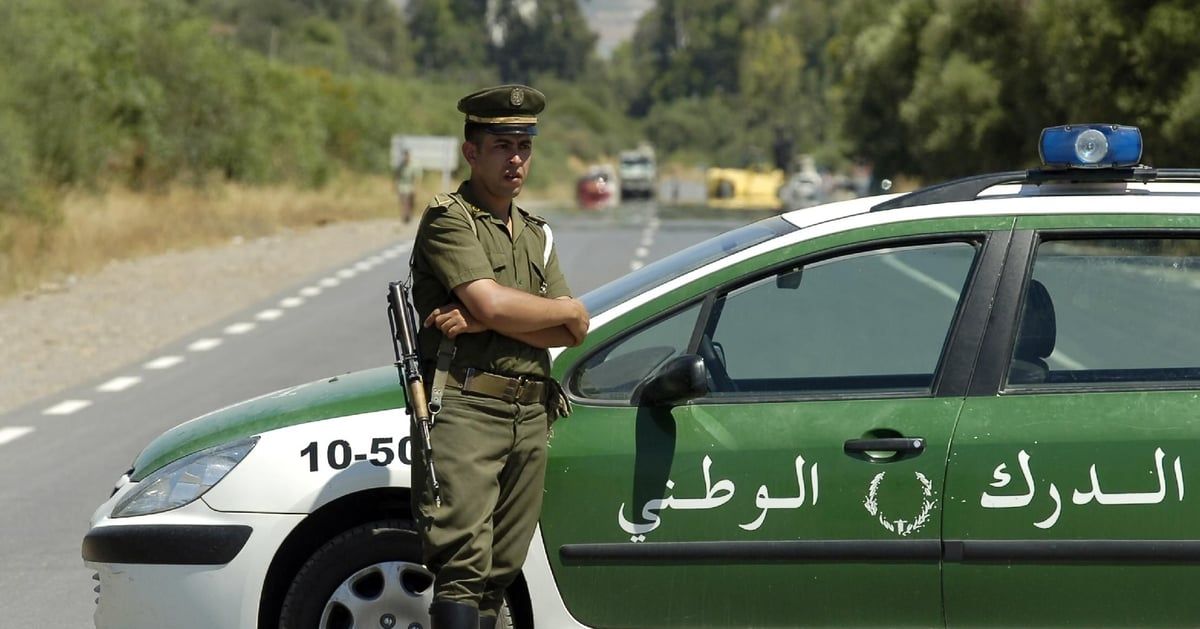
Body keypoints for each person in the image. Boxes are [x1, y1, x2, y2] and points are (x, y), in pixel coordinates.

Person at [409, 84, 589, 629]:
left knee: (501, 571)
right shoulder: (450, 219)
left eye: (524, 146)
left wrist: (489, 318)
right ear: (471, 151)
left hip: (531, 412)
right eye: (501, 145)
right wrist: (514, 310)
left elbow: (572, 328)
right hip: (467, 407)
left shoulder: (536, 234)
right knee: (463, 567)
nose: (516, 159)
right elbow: (513, 303)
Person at [394, 149, 419, 223]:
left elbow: (416, 177)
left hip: (411, 185)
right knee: (404, 200)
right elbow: (397, 176)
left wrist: (416, 188)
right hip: (402, 185)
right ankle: (404, 214)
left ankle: (410, 213)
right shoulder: (401, 166)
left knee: (411, 201)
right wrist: (396, 185)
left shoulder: (413, 165)